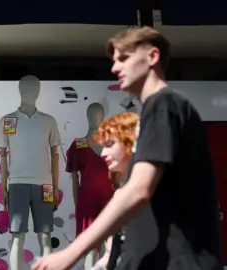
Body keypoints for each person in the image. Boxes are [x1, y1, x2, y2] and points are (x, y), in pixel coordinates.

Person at [32, 26, 223, 270]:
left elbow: (139, 189)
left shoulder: (163, 105)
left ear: (152, 57)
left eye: (123, 58)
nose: (114, 68)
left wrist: (70, 254)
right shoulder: (159, 111)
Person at [90, 112, 139, 270]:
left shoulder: (149, 195)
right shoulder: (120, 195)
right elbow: (111, 255)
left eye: (109, 145)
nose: (103, 153)